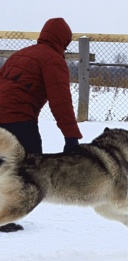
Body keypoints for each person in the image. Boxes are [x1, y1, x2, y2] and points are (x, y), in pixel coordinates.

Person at [0, 18, 83, 232]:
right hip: (18, 119)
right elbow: (61, 102)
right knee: (29, 167)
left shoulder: (20, 54)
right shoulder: (53, 60)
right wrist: (71, 137)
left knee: (5, 166)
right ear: (63, 40)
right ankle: (4, 216)